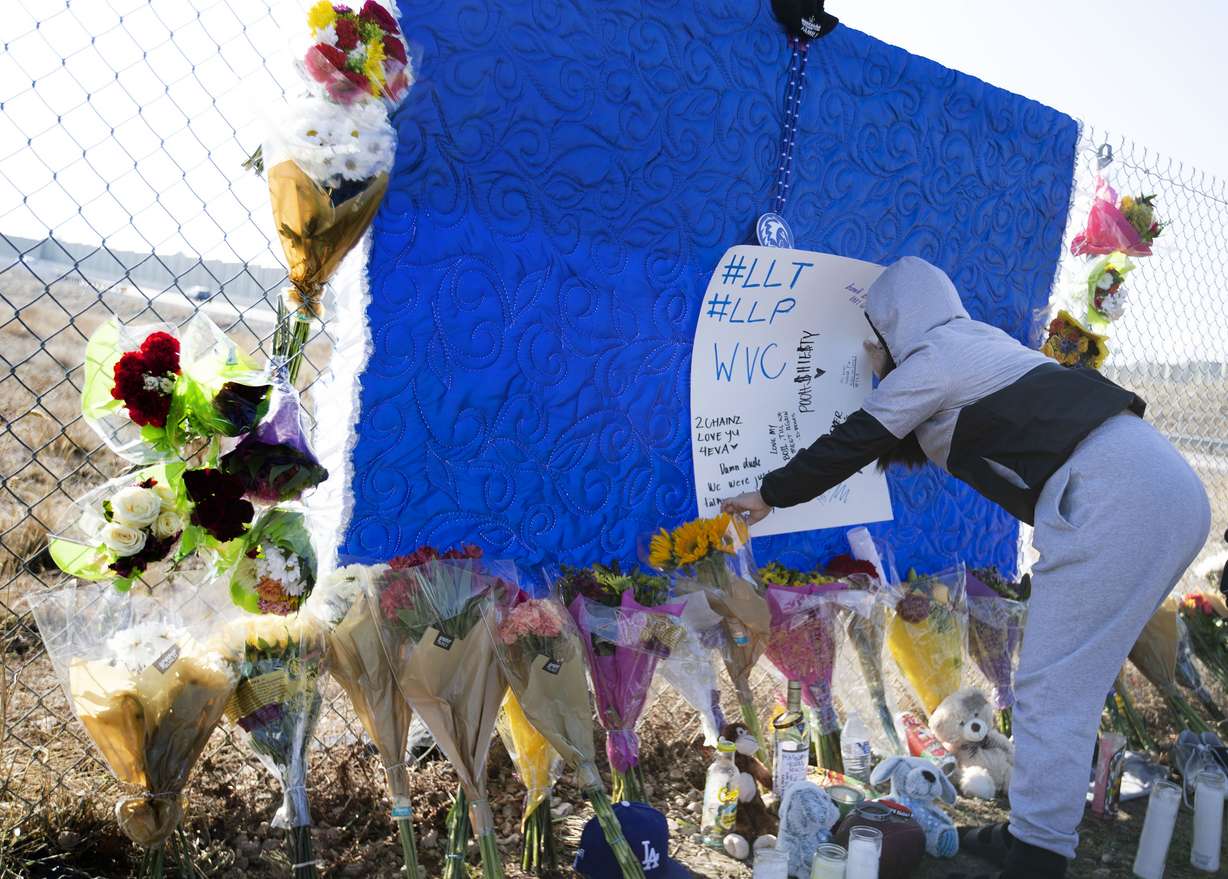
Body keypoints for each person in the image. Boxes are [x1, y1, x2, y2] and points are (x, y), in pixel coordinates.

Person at [722, 256, 1211, 879]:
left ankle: (1036, 858)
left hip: (1115, 501)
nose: (874, 355)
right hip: (1167, 490)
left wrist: (769, 494)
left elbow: (855, 441)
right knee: (1068, 682)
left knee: (1053, 686)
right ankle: (1034, 838)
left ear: (896, 323)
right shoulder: (980, 344)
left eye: (878, 339)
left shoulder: (932, 359)